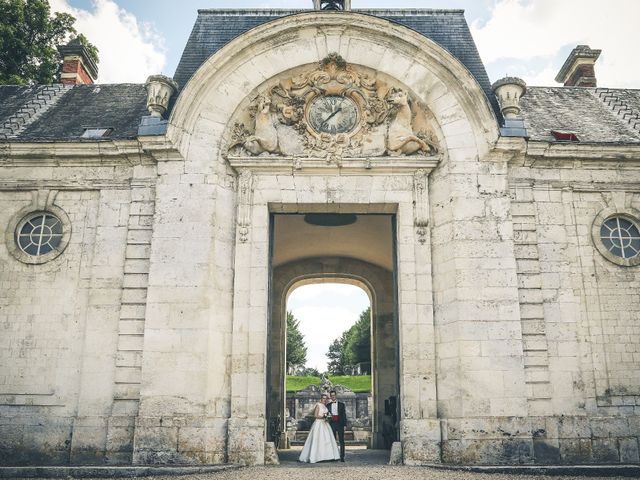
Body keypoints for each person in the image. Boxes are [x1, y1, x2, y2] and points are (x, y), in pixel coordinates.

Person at [298, 393, 341, 463]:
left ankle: (327, 456)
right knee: (318, 439)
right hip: (319, 423)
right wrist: (323, 417)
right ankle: (316, 456)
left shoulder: (325, 406)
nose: (324, 400)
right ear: (321, 399)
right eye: (323, 398)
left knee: (327, 439)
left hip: (325, 423)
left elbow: (327, 414)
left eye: (326, 399)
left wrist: (328, 418)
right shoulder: (318, 405)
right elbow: (315, 415)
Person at [327, 389, 347, 462]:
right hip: (332, 424)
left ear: (336, 396)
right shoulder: (328, 405)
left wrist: (345, 425)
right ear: (330, 397)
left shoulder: (342, 405)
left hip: (340, 424)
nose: (333, 397)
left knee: (341, 441)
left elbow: (344, 415)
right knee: (332, 440)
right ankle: (333, 456)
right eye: (331, 396)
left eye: (334, 395)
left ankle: (342, 457)